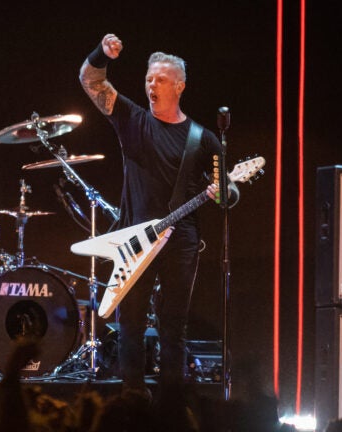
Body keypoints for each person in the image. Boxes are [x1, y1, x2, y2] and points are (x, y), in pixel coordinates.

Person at [78, 34, 238, 406]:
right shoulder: (132, 120)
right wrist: (102, 53)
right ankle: (132, 392)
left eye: (161, 80)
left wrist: (224, 194)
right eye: (149, 79)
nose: (152, 85)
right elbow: (90, 80)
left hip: (181, 240)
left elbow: (228, 188)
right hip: (133, 237)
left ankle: (171, 398)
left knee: (174, 324)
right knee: (130, 320)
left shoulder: (204, 139)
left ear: (179, 86)